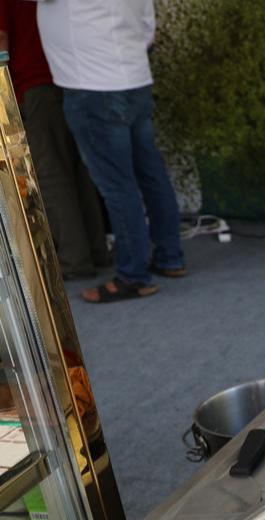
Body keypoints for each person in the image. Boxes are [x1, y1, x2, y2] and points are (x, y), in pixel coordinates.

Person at [36, 0, 185, 302]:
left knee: (118, 186)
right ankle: (170, 257)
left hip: (93, 87)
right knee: (150, 173)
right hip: (133, 78)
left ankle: (132, 276)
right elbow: (148, 28)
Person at [0, 0, 109, 279]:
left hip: (34, 86)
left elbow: (2, 41)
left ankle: (75, 260)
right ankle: (96, 250)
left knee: (51, 177)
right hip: (71, 78)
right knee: (78, 170)